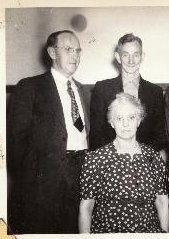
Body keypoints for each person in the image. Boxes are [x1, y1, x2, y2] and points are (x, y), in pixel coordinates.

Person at [6, 30, 89, 233]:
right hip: (42, 182)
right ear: (52, 52)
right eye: (68, 49)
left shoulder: (83, 90)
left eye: (78, 50)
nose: (75, 55)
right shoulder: (29, 87)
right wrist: (32, 179)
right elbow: (15, 141)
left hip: (80, 173)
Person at [79, 93, 169, 233]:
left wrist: (165, 235)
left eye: (131, 118)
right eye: (119, 118)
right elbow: (86, 207)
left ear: (139, 121)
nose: (126, 124)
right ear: (111, 122)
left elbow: (162, 202)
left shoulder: (153, 157)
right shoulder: (97, 159)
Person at [89, 33, 167, 161]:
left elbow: (159, 134)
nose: (131, 61)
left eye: (136, 55)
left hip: (145, 161)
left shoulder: (155, 92)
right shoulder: (102, 88)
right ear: (118, 57)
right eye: (125, 55)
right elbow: (97, 134)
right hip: (111, 160)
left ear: (142, 57)